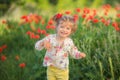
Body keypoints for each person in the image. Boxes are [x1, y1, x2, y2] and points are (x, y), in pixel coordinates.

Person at [35, 13, 86, 80]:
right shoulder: (50, 38)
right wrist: (43, 43)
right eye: (62, 27)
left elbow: (73, 52)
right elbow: (37, 46)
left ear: (71, 31)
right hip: (51, 68)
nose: (64, 30)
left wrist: (79, 54)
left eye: (68, 28)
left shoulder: (69, 42)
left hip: (62, 70)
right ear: (57, 27)